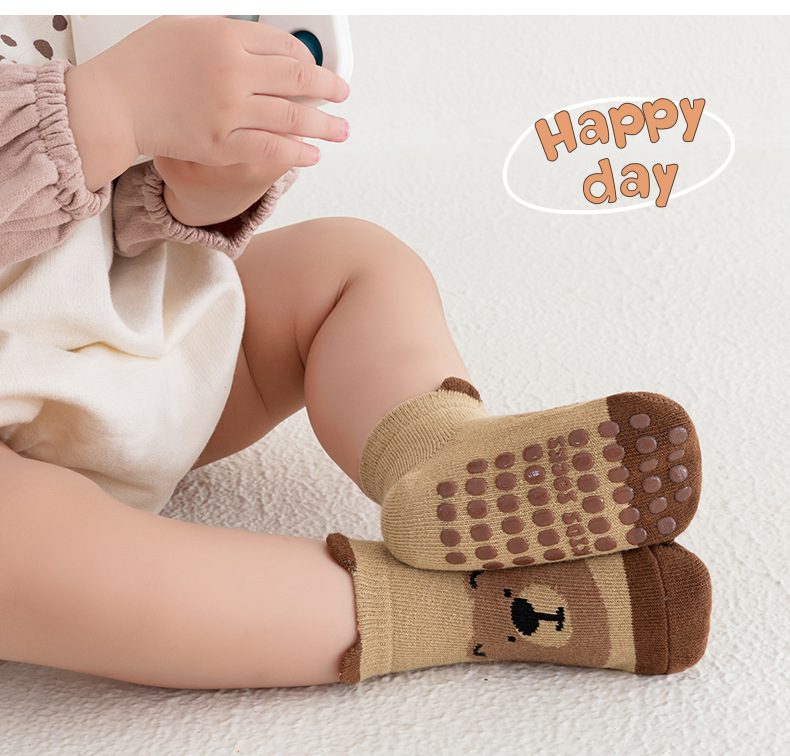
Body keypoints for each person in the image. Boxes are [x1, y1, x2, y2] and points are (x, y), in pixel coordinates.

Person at [0, 15, 711, 690]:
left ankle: (433, 454)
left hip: (129, 325)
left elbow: (129, 194)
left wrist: (202, 182)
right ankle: (465, 610)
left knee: (350, 261)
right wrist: (106, 109)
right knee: (35, 559)